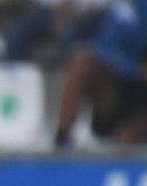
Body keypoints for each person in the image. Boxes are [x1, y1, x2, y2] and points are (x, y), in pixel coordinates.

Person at [53, 0, 147, 146]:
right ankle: (62, 136)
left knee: (127, 137)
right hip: (118, 76)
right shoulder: (118, 7)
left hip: (137, 87)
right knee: (81, 63)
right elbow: (103, 43)